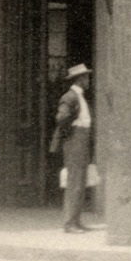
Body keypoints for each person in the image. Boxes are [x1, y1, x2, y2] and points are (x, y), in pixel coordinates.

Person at [49, 63, 93, 233]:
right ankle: (69, 223)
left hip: (81, 141)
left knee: (80, 182)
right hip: (75, 141)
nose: (88, 80)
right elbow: (62, 118)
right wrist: (71, 134)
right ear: (80, 79)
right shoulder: (70, 97)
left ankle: (76, 220)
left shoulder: (80, 96)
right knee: (74, 182)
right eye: (86, 77)